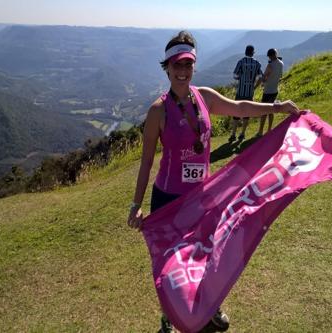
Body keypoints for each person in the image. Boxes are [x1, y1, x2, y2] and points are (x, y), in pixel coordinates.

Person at [126, 31, 299, 333]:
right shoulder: (157, 112)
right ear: (166, 67)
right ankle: (169, 317)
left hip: (204, 198)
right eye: (176, 65)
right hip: (169, 200)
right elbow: (146, 162)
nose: (182, 71)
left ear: (194, 66)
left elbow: (241, 108)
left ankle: (211, 306)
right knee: (171, 268)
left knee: (207, 255)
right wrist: (136, 204)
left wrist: (276, 107)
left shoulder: (204, 97)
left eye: (187, 65)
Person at [229, 45, 263, 142]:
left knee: (236, 112)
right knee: (247, 113)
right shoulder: (257, 63)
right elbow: (261, 77)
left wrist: (241, 78)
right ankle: (242, 133)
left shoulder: (241, 62)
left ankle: (233, 134)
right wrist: (254, 86)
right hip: (249, 92)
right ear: (253, 52)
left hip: (240, 92)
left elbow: (234, 75)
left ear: (245, 52)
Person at [256, 48, 284, 137]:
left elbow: (264, 79)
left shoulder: (270, 65)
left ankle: (260, 131)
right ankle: (269, 129)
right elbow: (280, 76)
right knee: (271, 110)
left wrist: (261, 79)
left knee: (264, 110)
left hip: (268, 91)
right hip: (275, 90)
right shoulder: (281, 63)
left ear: (270, 56)